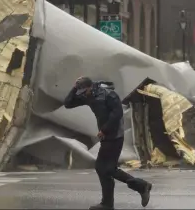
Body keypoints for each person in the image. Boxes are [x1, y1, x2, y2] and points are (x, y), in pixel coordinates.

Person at [64, 77, 152, 210]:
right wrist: (75, 87)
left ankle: (141, 186)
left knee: (107, 168)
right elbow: (68, 103)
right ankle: (108, 203)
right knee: (102, 168)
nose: (83, 95)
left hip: (115, 135)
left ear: (90, 87)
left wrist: (104, 130)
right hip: (106, 136)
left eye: (84, 91)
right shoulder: (89, 96)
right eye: (81, 92)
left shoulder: (108, 95)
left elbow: (117, 114)